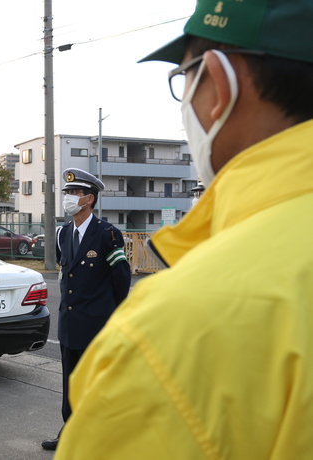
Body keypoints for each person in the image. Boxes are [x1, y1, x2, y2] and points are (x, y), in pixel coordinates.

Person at [55, 0, 313, 458]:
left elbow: (119, 283)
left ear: (217, 84)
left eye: (184, 78)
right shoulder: (63, 234)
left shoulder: (173, 328)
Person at [42, 168, 131, 451]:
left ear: (89, 199)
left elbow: (121, 278)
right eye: (66, 193)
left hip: (97, 324)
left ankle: (101, 437)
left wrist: (113, 316)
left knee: (96, 384)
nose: (67, 198)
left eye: (74, 193)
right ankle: (70, 432)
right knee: (70, 383)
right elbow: (67, 273)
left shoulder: (108, 234)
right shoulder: (62, 233)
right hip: (69, 323)